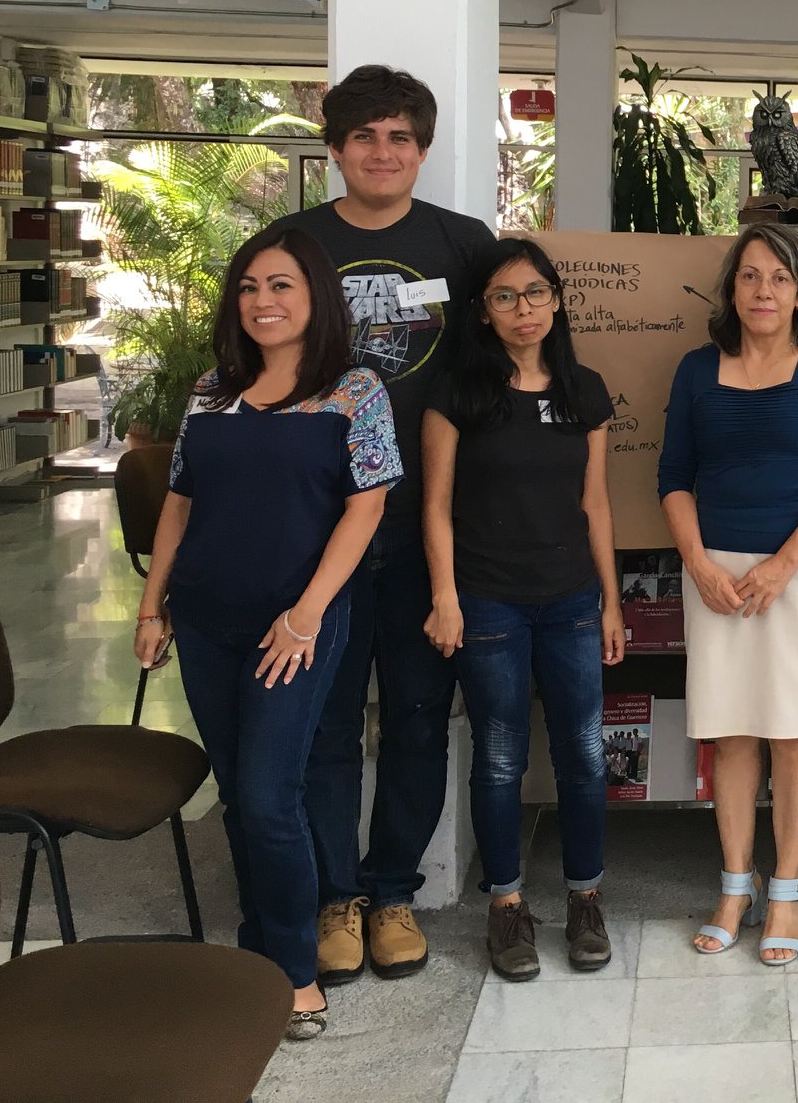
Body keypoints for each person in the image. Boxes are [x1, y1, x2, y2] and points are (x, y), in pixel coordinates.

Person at [133, 225, 401, 1042]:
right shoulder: (213, 390)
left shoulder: (354, 390)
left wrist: (308, 612)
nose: (262, 301)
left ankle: (292, 969)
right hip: (206, 618)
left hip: (297, 625)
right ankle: (258, 942)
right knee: (237, 790)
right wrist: (152, 606)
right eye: (249, 287)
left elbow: (365, 508)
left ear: (315, 296)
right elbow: (179, 500)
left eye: (281, 285)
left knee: (269, 794)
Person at [280, 65, 495, 985]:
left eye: (399, 136)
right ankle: (336, 897)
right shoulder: (292, 244)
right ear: (335, 148)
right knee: (326, 723)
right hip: (316, 530)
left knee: (417, 717)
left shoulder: (464, 244)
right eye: (364, 136)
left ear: (423, 148)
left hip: (425, 529)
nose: (382, 152)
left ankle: (394, 890)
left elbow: (498, 364)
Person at [657, 224, 798, 966]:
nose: (764, 291)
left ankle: (786, 891)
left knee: (795, 732)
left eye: (779, 277)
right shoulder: (695, 368)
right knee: (733, 732)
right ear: (731, 289)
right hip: (716, 576)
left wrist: (782, 565)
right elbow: (673, 477)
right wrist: (697, 563)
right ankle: (734, 888)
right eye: (749, 276)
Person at [421, 239, 625, 982]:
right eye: (504, 297)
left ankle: (585, 898)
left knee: (584, 754)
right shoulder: (458, 393)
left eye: (536, 292)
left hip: (571, 598)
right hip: (487, 601)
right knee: (501, 756)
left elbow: (595, 504)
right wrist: (445, 597)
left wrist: (610, 602)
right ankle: (506, 905)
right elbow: (436, 506)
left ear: (557, 300)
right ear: (483, 311)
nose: (523, 309)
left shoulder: (584, 391)